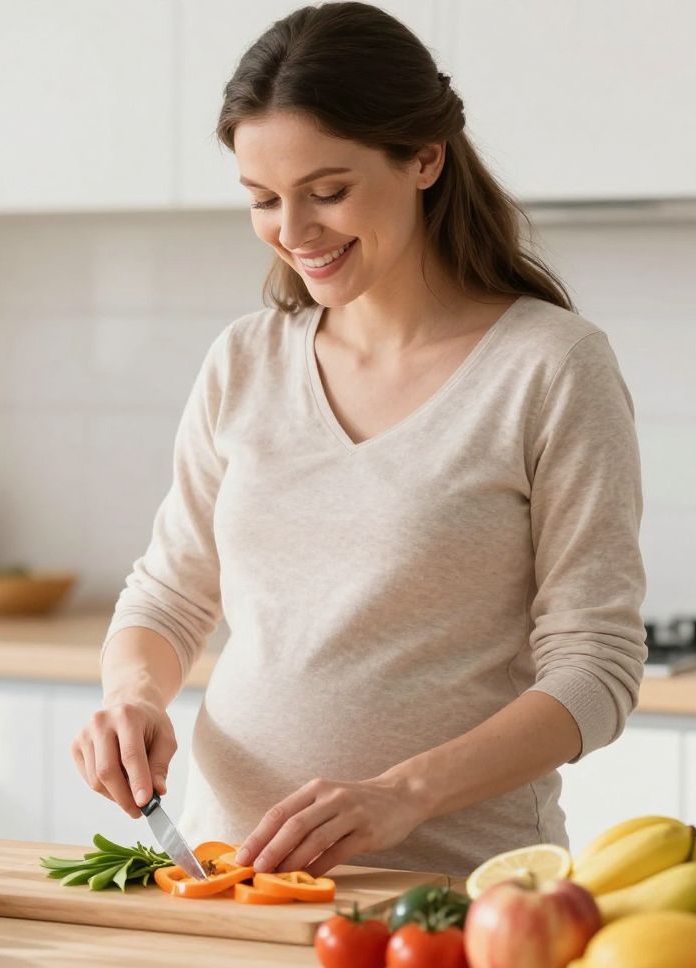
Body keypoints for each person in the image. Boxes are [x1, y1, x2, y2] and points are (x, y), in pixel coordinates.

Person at [71, 2, 647, 878]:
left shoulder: (552, 367)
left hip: (453, 892)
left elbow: (596, 669)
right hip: (227, 877)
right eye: (263, 199)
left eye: (328, 192)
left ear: (425, 156)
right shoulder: (245, 359)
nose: (294, 233)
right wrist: (131, 693)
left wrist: (405, 793)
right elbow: (171, 594)